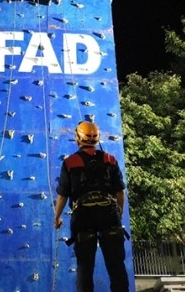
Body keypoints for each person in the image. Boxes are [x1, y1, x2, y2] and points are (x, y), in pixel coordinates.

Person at [54, 121, 129, 292]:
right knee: (116, 267)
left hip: (83, 218)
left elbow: (63, 195)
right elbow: (119, 192)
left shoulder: (70, 163)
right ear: (97, 138)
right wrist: (118, 212)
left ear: (78, 138)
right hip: (109, 214)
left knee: (85, 269)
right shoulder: (110, 159)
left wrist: (57, 217)